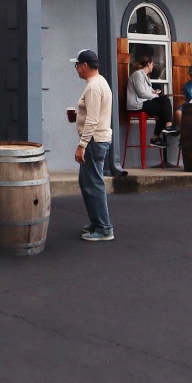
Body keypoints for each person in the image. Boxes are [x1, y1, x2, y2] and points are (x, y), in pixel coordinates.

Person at [72, 49, 114, 242]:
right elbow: (90, 114)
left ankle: (104, 228)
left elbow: (93, 120)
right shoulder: (98, 83)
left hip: (94, 141)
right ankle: (97, 223)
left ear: (85, 66)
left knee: (94, 184)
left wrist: (82, 145)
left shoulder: (94, 87)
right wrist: (77, 116)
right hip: (97, 139)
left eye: (77, 65)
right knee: (87, 182)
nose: (76, 69)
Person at [126, 53, 177, 146]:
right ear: (149, 64)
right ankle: (160, 133)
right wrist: (156, 96)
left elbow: (148, 91)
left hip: (144, 101)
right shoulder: (138, 75)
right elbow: (141, 93)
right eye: (152, 64)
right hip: (137, 103)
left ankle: (166, 128)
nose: (153, 67)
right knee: (162, 109)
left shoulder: (146, 76)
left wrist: (154, 92)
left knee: (165, 101)